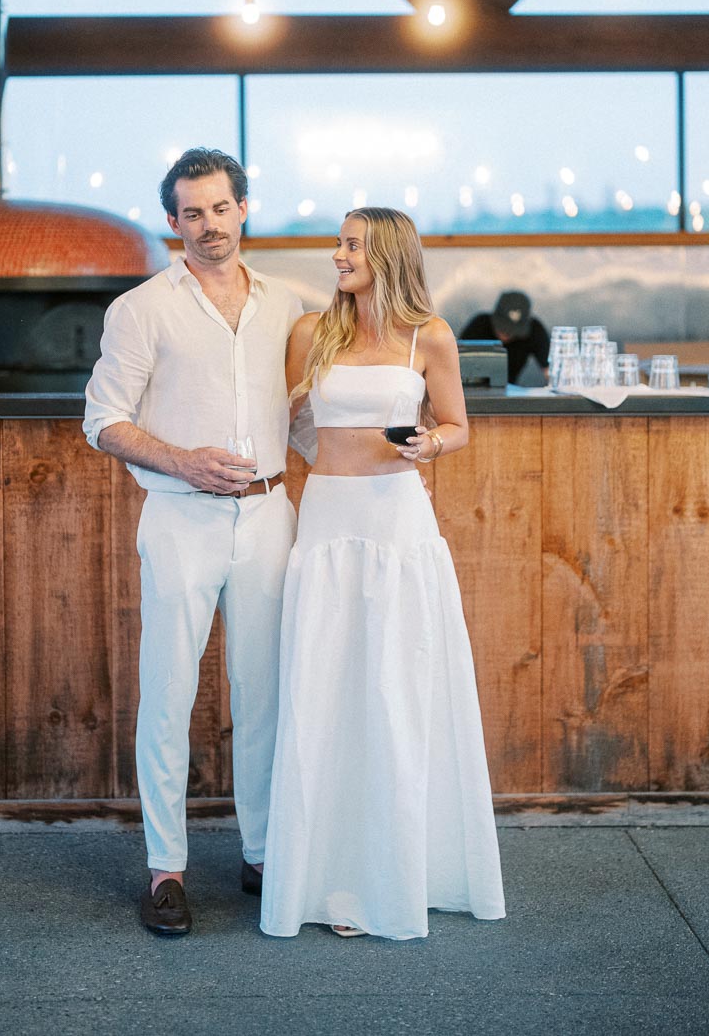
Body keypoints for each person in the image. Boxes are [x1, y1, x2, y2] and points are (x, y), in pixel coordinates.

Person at [261, 207, 505, 941]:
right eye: (339, 242)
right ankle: (328, 877)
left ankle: (402, 874)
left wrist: (432, 444)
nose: (337, 255)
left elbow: (458, 425)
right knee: (326, 692)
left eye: (351, 245)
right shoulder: (312, 332)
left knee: (398, 692)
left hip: (399, 526)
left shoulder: (429, 336)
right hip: (329, 523)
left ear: (388, 255)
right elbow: (290, 424)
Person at [83, 148, 302, 937]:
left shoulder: (289, 305)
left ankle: (266, 854)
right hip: (180, 516)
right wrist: (183, 461)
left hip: (272, 514)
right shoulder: (142, 308)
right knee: (169, 694)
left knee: (266, 691)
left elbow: (300, 414)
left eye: (220, 208)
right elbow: (101, 421)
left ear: (245, 209)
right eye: (191, 214)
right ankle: (165, 870)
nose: (208, 226)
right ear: (172, 222)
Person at [460, 289, 550, 385]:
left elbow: (551, 370)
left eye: (513, 331)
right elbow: (453, 362)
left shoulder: (535, 330)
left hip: (508, 393)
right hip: (469, 391)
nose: (506, 335)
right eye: (503, 329)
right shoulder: (479, 325)